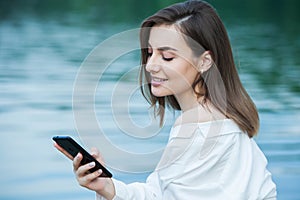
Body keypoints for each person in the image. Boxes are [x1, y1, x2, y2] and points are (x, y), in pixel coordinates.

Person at [54, 0, 277, 199]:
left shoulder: (201, 129)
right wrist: (107, 187)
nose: (150, 65)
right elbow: (161, 192)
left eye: (167, 56)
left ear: (205, 61)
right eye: (150, 53)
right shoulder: (211, 118)